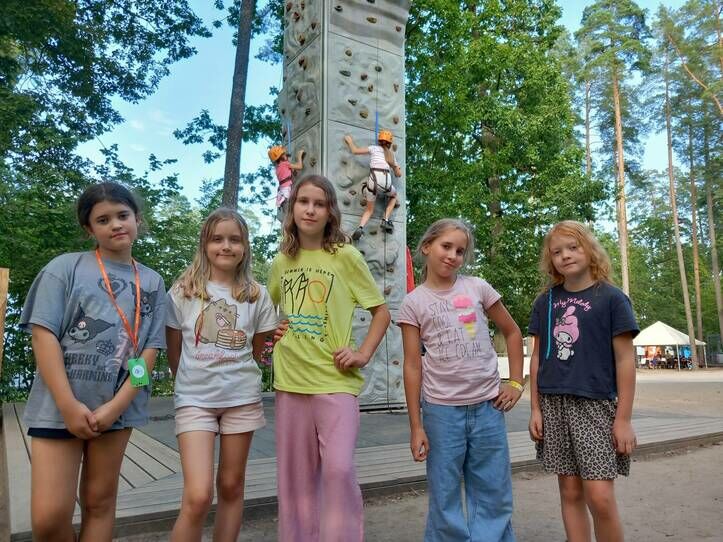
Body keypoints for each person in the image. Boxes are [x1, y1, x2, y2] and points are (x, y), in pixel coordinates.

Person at [20, 182, 166, 541]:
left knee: (99, 502)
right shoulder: (64, 268)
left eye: (122, 215)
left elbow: (148, 352)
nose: (115, 224)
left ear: (137, 219)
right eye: (103, 220)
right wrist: (68, 405)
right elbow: (43, 335)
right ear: (89, 228)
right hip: (59, 408)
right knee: (49, 518)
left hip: (117, 411)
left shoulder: (152, 281)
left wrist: (117, 407)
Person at [268, 174, 391, 541]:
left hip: (335, 380)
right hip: (291, 380)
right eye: (303, 202)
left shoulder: (345, 256)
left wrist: (363, 353)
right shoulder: (282, 261)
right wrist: (273, 332)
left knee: (338, 469)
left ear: (329, 212)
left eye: (319, 204)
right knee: (296, 479)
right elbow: (266, 312)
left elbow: (381, 312)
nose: (310, 210)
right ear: (292, 209)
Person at [398, 218, 524, 542]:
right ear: (427, 247)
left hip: (488, 408)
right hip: (441, 413)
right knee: (445, 494)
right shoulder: (413, 303)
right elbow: (412, 366)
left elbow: (512, 332)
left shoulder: (477, 287)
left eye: (460, 251)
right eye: (446, 246)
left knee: (493, 491)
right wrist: (416, 426)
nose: (453, 255)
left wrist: (516, 382)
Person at [166, 208, 278, 542]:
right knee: (198, 495)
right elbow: (174, 351)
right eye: (217, 239)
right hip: (195, 400)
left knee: (231, 485)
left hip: (241, 399)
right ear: (204, 244)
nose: (226, 246)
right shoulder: (183, 292)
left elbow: (258, 350)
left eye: (234, 239)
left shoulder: (256, 295)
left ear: (245, 247)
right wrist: (190, 382)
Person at [527, 220, 639, 542]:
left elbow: (625, 360)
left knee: (600, 497)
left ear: (590, 249)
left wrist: (623, 420)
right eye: (557, 252)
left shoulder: (613, 299)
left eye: (573, 247)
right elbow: (537, 358)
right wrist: (535, 409)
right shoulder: (545, 302)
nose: (565, 255)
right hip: (554, 404)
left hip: (596, 406)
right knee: (570, 491)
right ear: (551, 260)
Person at [343, 130, 402, 240]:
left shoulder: (374, 148)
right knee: (394, 196)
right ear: (390, 143)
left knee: (369, 210)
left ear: (379, 141)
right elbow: (398, 174)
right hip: (386, 184)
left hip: (373, 183)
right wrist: (395, 166)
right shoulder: (391, 156)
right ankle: (385, 220)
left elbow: (355, 151)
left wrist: (349, 141)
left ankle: (360, 227)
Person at [268, 145, 305, 216]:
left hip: (282, 191)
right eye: (284, 154)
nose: (286, 155)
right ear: (281, 156)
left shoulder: (278, 168)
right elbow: (300, 166)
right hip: (287, 189)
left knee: (287, 210)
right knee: (291, 207)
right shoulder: (285, 164)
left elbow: (291, 173)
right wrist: (299, 156)